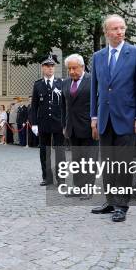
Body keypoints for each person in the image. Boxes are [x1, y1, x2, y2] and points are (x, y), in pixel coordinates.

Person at [90, 15, 136, 222]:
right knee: (107, 162)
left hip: (128, 117)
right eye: (115, 29)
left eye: (122, 28)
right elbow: (94, 90)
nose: (120, 32)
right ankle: (110, 200)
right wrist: (94, 117)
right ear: (106, 32)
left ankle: (122, 204)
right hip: (105, 118)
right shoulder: (97, 56)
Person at [61, 54, 95, 197]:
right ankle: (78, 187)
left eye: (74, 68)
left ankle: (88, 188)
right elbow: (64, 106)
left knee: (89, 160)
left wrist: (96, 122)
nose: (72, 71)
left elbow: (98, 104)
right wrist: (64, 125)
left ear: (82, 67)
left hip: (89, 127)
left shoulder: (93, 80)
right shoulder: (66, 82)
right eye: (69, 69)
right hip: (72, 127)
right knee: (76, 159)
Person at [30, 54, 65, 186]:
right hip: (43, 122)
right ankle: (47, 177)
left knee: (60, 151)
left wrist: (65, 122)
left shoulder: (61, 83)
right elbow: (34, 106)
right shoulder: (38, 84)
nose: (50, 69)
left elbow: (65, 105)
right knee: (44, 151)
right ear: (42, 68)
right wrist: (34, 123)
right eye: (47, 66)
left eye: (52, 66)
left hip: (58, 122)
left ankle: (61, 179)